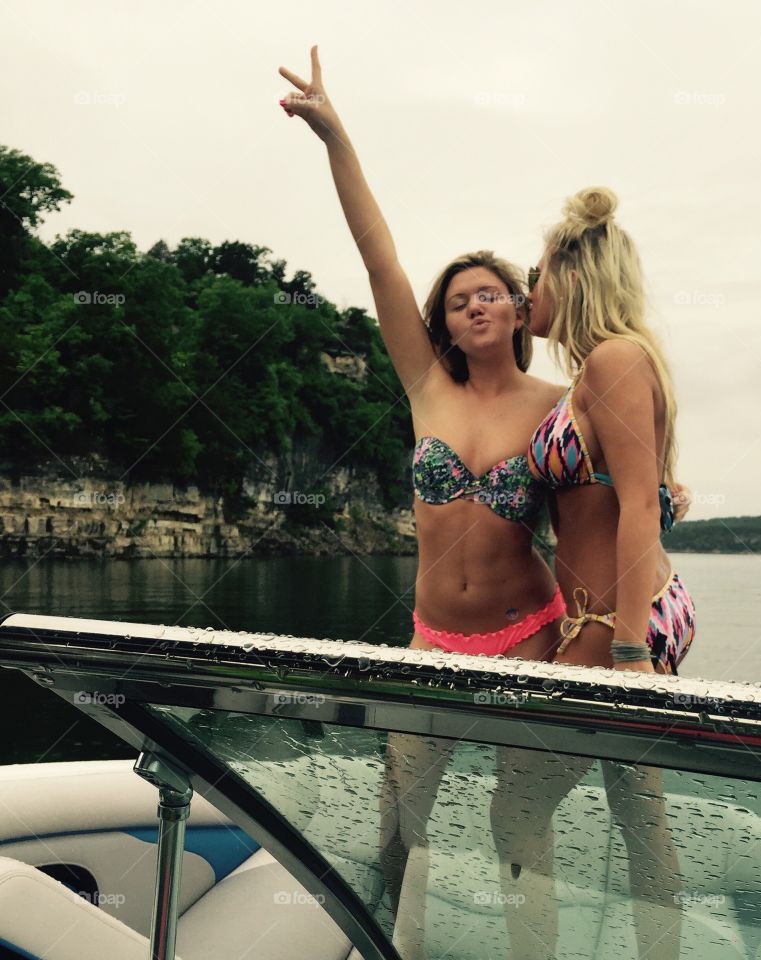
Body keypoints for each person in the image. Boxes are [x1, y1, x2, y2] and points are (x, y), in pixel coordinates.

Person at [278, 46, 569, 960]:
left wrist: (670, 485)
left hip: (533, 636)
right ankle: (385, 951)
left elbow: (627, 479)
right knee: (400, 821)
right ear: (443, 323)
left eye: (490, 295)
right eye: (456, 302)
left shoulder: (562, 406)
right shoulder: (425, 392)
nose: (471, 308)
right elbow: (378, 260)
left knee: (518, 833)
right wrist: (335, 135)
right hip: (434, 639)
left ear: (521, 311)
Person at [490, 187, 695, 960]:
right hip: (612, 616)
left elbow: (637, 505)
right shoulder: (603, 368)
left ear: (575, 278)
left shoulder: (614, 359)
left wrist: (629, 655)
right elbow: (634, 492)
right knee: (639, 816)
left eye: (536, 278)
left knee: (515, 809)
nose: (526, 294)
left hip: (617, 624)